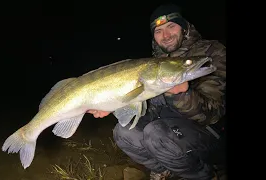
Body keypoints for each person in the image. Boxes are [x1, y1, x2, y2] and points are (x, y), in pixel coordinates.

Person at [87, 3, 226, 180]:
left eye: (171, 26)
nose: (165, 35)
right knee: (123, 132)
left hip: (209, 135)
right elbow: (149, 107)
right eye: (158, 31)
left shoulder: (212, 53)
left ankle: (204, 175)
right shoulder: (155, 64)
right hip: (169, 130)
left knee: (155, 132)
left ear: (184, 28)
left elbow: (213, 115)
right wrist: (113, 104)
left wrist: (182, 93)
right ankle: (166, 170)